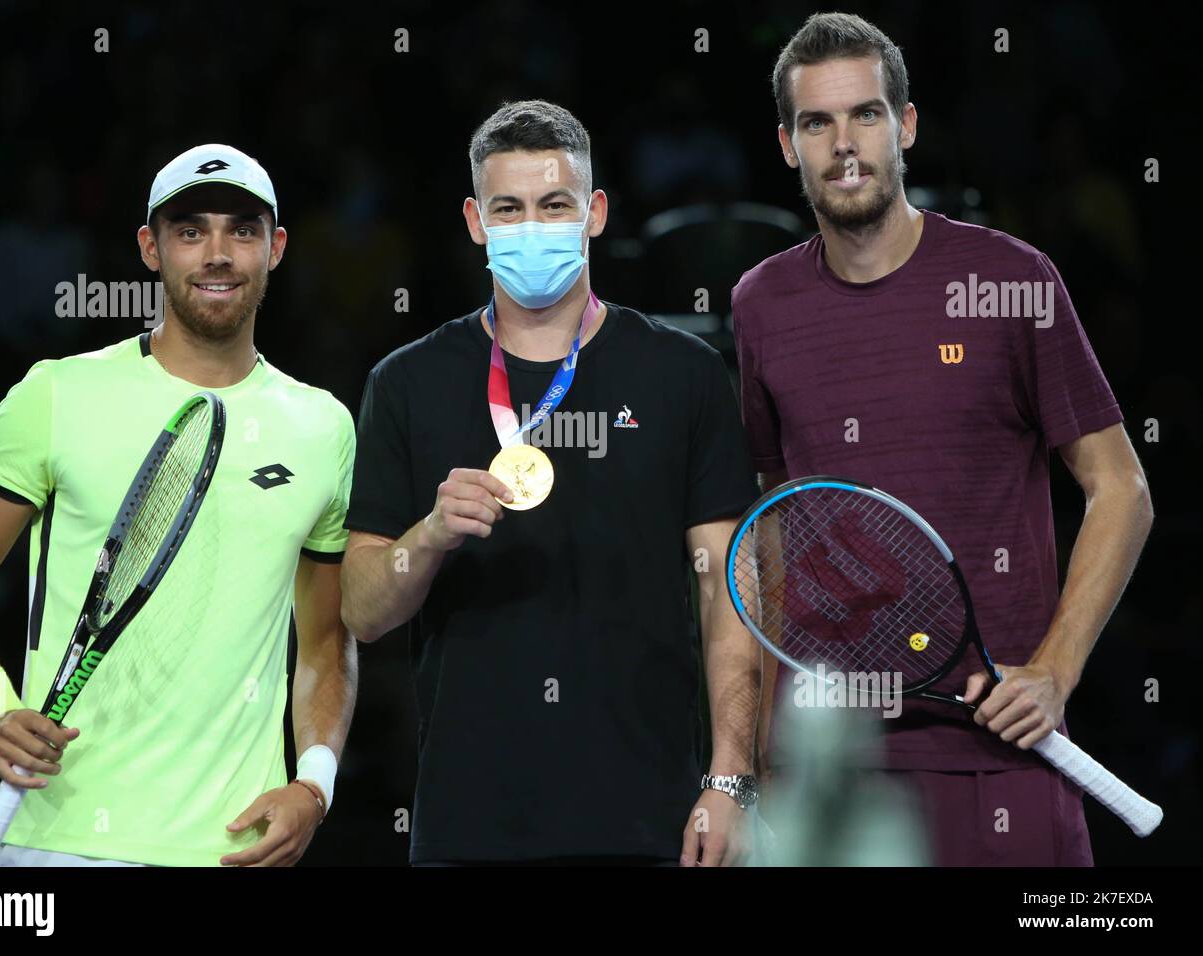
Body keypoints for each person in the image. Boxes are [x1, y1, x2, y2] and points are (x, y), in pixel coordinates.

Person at [733, 13, 1153, 865]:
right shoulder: (758, 304)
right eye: (817, 123)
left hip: (1007, 761)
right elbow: (777, 522)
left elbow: (1122, 489)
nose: (844, 144)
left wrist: (1055, 671)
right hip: (833, 768)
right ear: (787, 144)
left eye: (867, 115)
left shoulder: (1013, 280)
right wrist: (761, 758)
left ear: (907, 125)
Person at [340, 100, 762, 866]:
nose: (531, 227)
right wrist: (429, 535)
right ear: (475, 221)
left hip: (651, 820)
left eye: (554, 205)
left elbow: (727, 590)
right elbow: (364, 614)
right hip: (469, 825)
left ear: (595, 212)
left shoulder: (682, 374)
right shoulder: (406, 383)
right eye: (509, 208)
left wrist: (730, 781)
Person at [0, 144, 357, 866]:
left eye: (242, 231)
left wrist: (314, 786)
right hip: (55, 843)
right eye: (190, 231)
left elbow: (325, 642)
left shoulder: (325, 427)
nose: (217, 253)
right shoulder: (55, 394)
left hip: (236, 846)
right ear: (151, 249)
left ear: (275, 248)